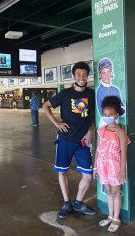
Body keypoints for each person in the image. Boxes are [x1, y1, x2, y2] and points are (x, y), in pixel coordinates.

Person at [42, 61, 96, 219]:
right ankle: (66, 202)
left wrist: (91, 130)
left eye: (84, 74)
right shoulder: (65, 94)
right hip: (65, 140)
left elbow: (92, 115)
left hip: (83, 142)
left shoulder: (91, 94)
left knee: (88, 175)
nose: (81, 77)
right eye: (78, 74)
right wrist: (56, 123)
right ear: (74, 76)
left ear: (87, 76)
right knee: (63, 171)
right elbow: (46, 106)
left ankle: (78, 202)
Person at [93, 96, 130, 233]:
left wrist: (122, 171)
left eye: (111, 114)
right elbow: (98, 149)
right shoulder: (101, 130)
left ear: (116, 115)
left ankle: (116, 218)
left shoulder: (120, 132)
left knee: (115, 192)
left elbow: (124, 153)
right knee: (108, 190)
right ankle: (110, 215)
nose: (108, 117)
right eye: (105, 114)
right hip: (102, 165)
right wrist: (95, 166)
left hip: (115, 166)